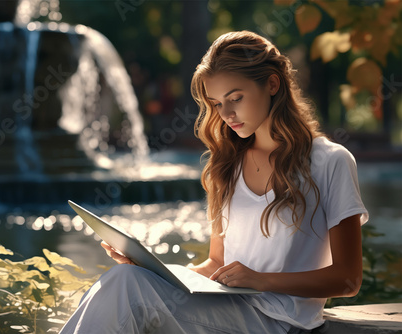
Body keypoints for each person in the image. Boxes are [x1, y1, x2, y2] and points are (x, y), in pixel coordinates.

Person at [59, 30, 368, 334]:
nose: (227, 113)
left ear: (272, 84)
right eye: (217, 103)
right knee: (126, 277)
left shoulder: (330, 161)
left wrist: (262, 279)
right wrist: (154, 273)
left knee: (126, 286)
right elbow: (216, 265)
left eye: (236, 98)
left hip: (280, 321)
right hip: (227, 311)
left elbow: (348, 280)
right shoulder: (228, 165)